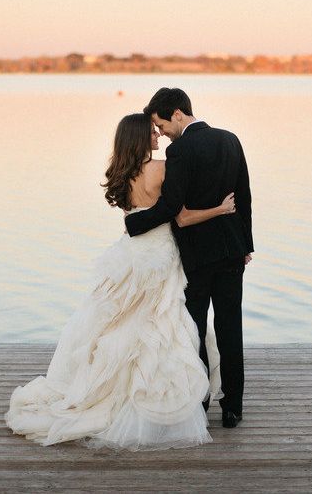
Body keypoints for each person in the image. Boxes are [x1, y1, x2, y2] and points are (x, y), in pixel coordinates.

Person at [5, 113, 237, 451]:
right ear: (142, 138)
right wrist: (219, 210)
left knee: (119, 324)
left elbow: (135, 219)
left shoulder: (120, 173)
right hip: (160, 255)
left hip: (130, 256)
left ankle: (109, 392)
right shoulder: (162, 168)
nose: (158, 136)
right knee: (162, 325)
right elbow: (180, 214)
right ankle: (155, 406)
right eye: (152, 133)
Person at [125, 89, 254, 428]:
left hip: (195, 255)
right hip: (231, 250)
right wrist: (247, 244)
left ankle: (200, 398)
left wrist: (133, 222)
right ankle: (233, 407)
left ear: (177, 114)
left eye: (161, 124)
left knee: (192, 329)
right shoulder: (231, 140)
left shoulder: (180, 151)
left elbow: (171, 208)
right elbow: (244, 195)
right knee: (230, 327)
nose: (162, 132)